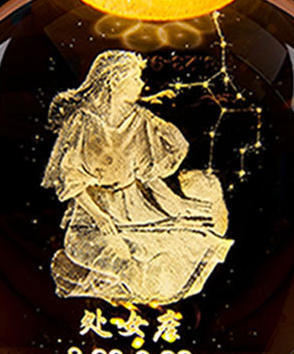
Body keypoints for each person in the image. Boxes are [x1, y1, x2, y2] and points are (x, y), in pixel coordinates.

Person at [41, 49, 233, 306]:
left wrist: (151, 106)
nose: (141, 84)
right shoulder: (84, 122)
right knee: (118, 255)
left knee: (177, 245)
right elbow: (72, 180)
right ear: (115, 82)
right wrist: (100, 217)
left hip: (135, 202)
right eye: (134, 78)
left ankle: (147, 298)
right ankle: (107, 290)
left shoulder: (141, 118)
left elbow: (176, 146)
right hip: (94, 209)